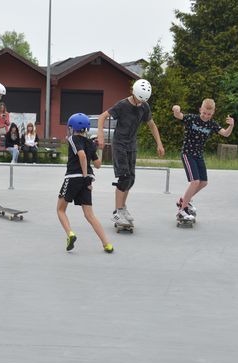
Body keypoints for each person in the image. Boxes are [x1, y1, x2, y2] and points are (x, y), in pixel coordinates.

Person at [96, 79, 165, 226]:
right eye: (139, 100)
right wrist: (101, 134)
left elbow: (151, 125)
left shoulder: (144, 106)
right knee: (124, 177)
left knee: (131, 179)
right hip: (119, 144)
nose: (140, 103)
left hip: (131, 145)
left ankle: (122, 208)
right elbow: (102, 116)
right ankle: (117, 212)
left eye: (143, 101)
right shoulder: (122, 105)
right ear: (133, 93)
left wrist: (159, 143)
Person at [57, 113, 113, 253]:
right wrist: (99, 149)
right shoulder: (90, 143)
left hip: (75, 177)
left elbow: (81, 155)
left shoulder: (72, 139)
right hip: (87, 180)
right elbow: (98, 164)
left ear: (72, 128)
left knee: (60, 209)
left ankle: (70, 233)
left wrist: (83, 174)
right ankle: (107, 244)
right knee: (89, 215)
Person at [172, 99, 234, 221]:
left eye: (209, 114)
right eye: (204, 113)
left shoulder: (212, 124)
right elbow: (178, 116)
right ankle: (182, 210)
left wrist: (231, 125)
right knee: (195, 181)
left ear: (213, 113)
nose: (206, 116)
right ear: (201, 109)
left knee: (203, 182)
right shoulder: (192, 118)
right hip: (187, 153)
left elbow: (226, 134)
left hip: (199, 155)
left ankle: (184, 200)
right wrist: (176, 108)